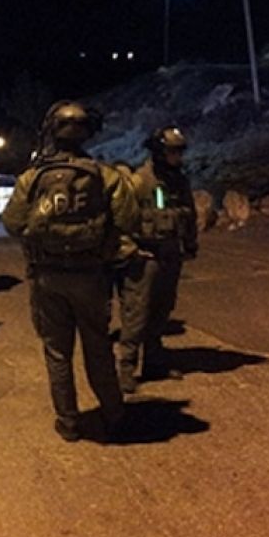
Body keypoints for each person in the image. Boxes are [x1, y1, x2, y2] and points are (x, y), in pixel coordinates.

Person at [2, 100, 139, 442]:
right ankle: (114, 415)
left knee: (57, 353)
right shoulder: (105, 175)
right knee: (99, 349)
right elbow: (129, 220)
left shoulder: (33, 177)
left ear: (51, 131)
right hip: (91, 276)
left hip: (48, 277)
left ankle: (68, 421)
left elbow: (13, 223)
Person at [115, 126, 198, 393]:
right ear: (160, 152)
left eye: (180, 151)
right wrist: (130, 251)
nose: (178, 156)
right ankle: (126, 368)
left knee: (161, 311)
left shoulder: (179, 181)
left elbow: (189, 214)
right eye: (173, 151)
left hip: (171, 255)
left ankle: (154, 362)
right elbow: (119, 220)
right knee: (136, 313)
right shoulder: (140, 181)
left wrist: (190, 244)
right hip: (145, 257)